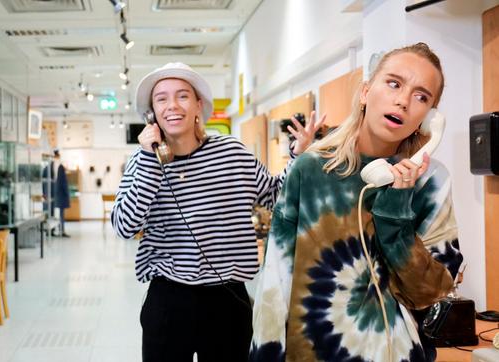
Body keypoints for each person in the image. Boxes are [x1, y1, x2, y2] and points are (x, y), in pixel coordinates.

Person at [250, 43, 464, 362]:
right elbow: (275, 282)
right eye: (394, 83)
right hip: (313, 350)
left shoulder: (430, 180)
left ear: (429, 117)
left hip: (394, 351)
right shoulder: (309, 169)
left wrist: (395, 214)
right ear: (365, 92)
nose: (403, 100)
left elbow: (429, 292)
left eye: (421, 96)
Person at [111, 62, 323, 362]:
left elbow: (276, 195)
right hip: (169, 299)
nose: (172, 105)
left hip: (228, 299)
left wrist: (299, 156)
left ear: (199, 104)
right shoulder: (142, 162)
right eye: (161, 99)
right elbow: (124, 226)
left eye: (183, 96)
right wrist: (150, 161)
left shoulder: (232, 152)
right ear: (151, 114)